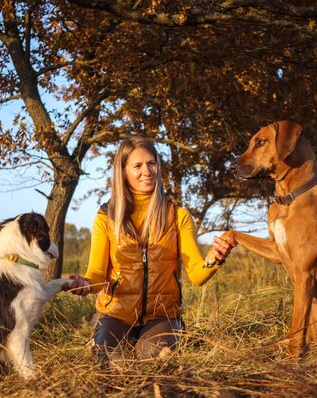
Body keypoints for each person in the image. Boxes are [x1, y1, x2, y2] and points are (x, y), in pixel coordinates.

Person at [64, 137, 236, 362]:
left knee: (151, 359)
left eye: (151, 163)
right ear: (123, 172)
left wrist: (215, 258)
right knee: (112, 362)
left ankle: (171, 334)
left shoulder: (178, 216)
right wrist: (85, 285)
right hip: (116, 314)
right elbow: (97, 274)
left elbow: (196, 273)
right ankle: (100, 334)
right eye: (137, 166)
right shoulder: (106, 217)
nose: (147, 171)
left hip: (161, 316)